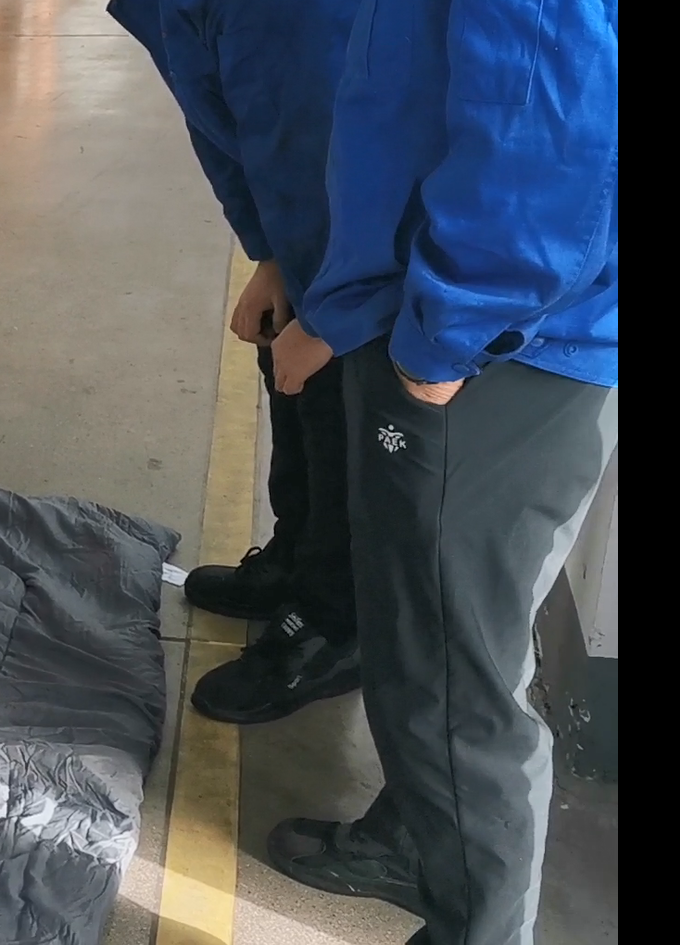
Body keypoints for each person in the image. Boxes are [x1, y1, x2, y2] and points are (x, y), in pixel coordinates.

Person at [266, 0, 619, 942]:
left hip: (489, 347)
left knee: (454, 681)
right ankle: (419, 843)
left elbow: (548, 125)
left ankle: (481, 927)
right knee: (428, 648)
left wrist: (445, 340)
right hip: (453, 324)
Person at [107, 0, 364, 726]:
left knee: (336, 400)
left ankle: (333, 623)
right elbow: (227, 130)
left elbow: (330, 151)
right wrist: (271, 257)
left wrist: (331, 312)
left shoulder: (294, 16)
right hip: (307, 239)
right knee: (281, 358)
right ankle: (296, 557)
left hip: (358, 257)